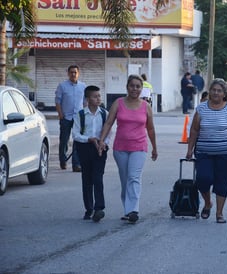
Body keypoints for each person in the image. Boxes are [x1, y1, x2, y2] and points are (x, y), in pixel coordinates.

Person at [185, 79, 227, 224]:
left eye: (219, 91)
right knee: (202, 180)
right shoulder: (201, 109)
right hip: (204, 152)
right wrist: (189, 149)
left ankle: (219, 213)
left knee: (222, 183)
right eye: (213, 90)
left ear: (224, 93)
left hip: (226, 153)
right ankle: (208, 203)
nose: (215, 93)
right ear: (210, 91)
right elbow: (194, 130)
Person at [98, 74, 158, 224]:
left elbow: (150, 129)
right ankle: (127, 209)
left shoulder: (146, 106)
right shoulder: (118, 103)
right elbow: (108, 123)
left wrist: (154, 148)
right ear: (127, 87)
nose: (135, 89)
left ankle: (133, 210)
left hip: (139, 147)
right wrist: (101, 141)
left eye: (138, 86)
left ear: (141, 89)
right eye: (132, 86)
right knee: (125, 179)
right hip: (121, 148)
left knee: (134, 177)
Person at [72, 85, 112, 222]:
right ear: (87, 99)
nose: (98, 99)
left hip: (100, 149)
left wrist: (103, 143)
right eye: (95, 96)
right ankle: (88, 209)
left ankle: (99, 208)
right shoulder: (80, 115)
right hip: (85, 148)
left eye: (99, 96)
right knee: (87, 179)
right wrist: (88, 139)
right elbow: (76, 134)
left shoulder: (104, 113)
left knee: (98, 177)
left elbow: (109, 132)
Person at [55, 65, 86, 172]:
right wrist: (60, 114)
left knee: (77, 141)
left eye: (75, 72)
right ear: (68, 73)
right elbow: (58, 101)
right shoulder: (62, 86)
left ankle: (76, 164)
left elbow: (85, 102)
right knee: (64, 140)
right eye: (71, 72)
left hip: (78, 117)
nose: (73, 74)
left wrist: (85, 114)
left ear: (78, 73)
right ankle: (63, 160)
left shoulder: (83, 86)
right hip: (66, 117)